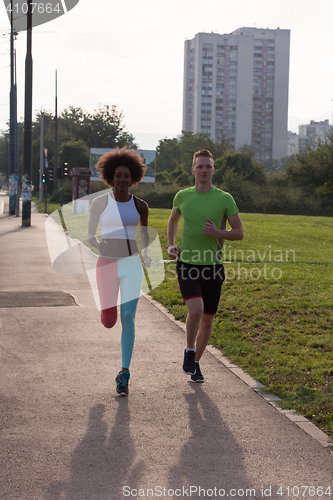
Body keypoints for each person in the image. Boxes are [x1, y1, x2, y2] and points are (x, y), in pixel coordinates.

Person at [167, 149, 244, 383]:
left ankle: (196, 362)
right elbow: (173, 220)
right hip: (188, 263)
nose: (203, 170)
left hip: (213, 267)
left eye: (207, 166)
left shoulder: (224, 198)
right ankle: (189, 349)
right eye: (199, 166)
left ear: (213, 170)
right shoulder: (182, 196)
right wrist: (171, 245)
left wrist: (218, 232)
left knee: (208, 320)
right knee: (196, 311)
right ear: (193, 170)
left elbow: (239, 233)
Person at [88, 148, 151, 396]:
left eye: (126, 176)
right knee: (109, 321)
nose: (122, 180)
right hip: (106, 263)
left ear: (132, 177)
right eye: (118, 176)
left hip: (130, 264)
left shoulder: (141, 206)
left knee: (128, 316)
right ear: (110, 178)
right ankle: (106, 312)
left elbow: (144, 234)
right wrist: (97, 245)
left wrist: (145, 253)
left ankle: (124, 373)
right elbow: (90, 235)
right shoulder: (100, 202)